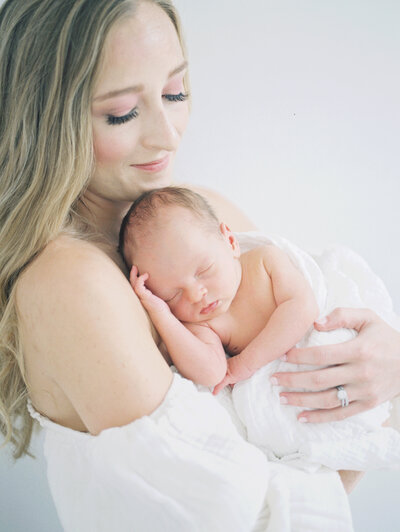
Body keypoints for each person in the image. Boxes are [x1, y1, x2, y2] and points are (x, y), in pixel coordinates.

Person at [0, 0, 399, 530]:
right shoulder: (70, 282)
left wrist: (384, 362)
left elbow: (318, 316)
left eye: (175, 92)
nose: (167, 135)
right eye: (121, 112)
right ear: (47, 120)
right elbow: (260, 519)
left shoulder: (206, 209)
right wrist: (382, 408)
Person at [120, 186, 400, 472]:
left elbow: (302, 307)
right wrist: (161, 314)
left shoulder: (264, 262)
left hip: (326, 349)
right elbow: (211, 372)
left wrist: (245, 363)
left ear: (229, 241)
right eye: (172, 295)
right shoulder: (203, 323)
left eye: (204, 270)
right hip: (288, 395)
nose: (196, 294)